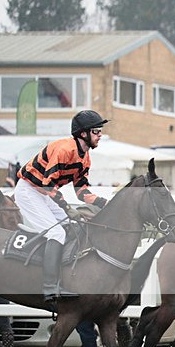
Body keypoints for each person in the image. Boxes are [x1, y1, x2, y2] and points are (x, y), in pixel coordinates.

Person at [13, 110, 109, 305]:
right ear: (83, 134)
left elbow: (81, 192)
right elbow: (48, 185)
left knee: (71, 227)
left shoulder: (85, 157)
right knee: (56, 233)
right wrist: (67, 209)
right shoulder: (64, 150)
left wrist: (104, 203)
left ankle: (63, 276)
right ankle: (49, 287)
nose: (100, 135)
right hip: (29, 191)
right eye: (97, 131)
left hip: (43, 193)